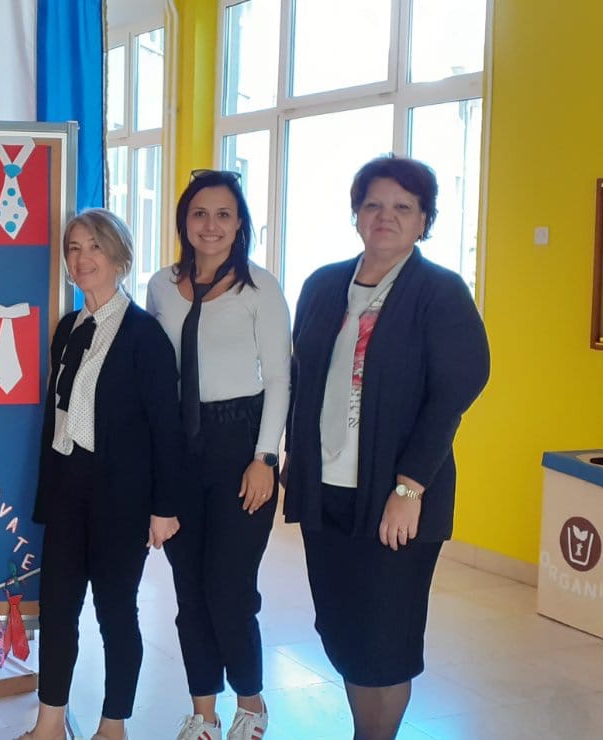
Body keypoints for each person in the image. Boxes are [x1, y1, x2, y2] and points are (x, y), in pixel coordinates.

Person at [283, 155, 490, 740]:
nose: (385, 216)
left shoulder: (439, 293)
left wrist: (410, 487)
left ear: (424, 220)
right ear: (356, 214)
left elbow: (455, 391)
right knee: (342, 630)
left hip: (396, 498)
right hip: (327, 490)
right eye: (373, 204)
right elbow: (301, 378)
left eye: (403, 206)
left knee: (384, 640)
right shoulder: (323, 286)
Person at [21, 209, 191, 740]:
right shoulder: (67, 329)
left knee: (115, 613)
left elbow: (166, 429)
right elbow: (56, 416)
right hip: (68, 489)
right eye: (73, 248)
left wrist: (164, 507)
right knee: (58, 609)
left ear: (119, 257)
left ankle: (112, 726)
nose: (82, 258)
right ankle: (49, 724)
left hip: (122, 496)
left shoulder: (145, 336)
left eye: (94, 246)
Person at [147, 170, 290, 740]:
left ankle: (251, 703)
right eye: (200, 213)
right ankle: (203, 714)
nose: (211, 225)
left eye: (224, 214)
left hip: (240, 445)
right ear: (184, 220)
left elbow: (279, 379)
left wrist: (266, 458)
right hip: (180, 447)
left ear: (240, 224)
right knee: (190, 591)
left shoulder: (260, 288)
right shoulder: (161, 286)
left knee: (229, 590)